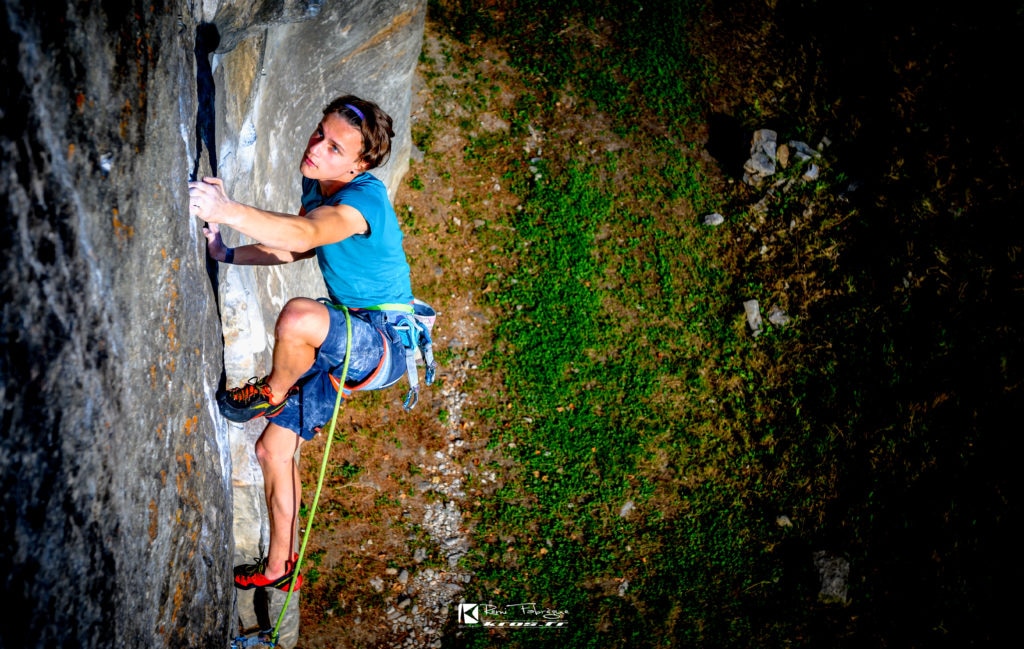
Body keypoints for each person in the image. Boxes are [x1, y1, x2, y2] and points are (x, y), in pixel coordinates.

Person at [188, 95, 425, 591]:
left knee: (297, 316)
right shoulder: (318, 183)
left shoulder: (359, 203)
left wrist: (227, 208)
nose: (318, 148)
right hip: (342, 332)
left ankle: (272, 390)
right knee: (274, 450)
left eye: (335, 147)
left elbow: (311, 230)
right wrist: (225, 251)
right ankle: (279, 566)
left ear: (360, 163)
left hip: (381, 344)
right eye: (321, 133)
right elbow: (291, 245)